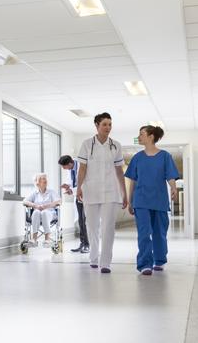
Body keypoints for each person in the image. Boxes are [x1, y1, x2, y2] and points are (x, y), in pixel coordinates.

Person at [76, 113, 128, 274]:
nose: (108, 128)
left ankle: (105, 262)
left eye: (110, 124)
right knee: (91, 226)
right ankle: (93, 257)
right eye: (104, 124)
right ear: (97, 126)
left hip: (111, 192)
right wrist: (78, 187)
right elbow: (82, 168)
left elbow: (119, 171)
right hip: (90, 191)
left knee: (108, 228)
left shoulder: (116, 146)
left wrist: (124, 193)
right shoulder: (86, 144)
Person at [125, 126, 179, 276]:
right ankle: (144, 264)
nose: (139, 137)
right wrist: (130, 201)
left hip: (159, 200)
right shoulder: (137, 158)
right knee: (144, 232)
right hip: (141, 200)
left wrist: (174, 188)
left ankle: (159, 260)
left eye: (141, 134)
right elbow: (133, 182)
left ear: (151, 136)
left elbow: (170, 175)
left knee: (159, 233)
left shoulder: (165, 156)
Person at [59, 155, 89, 253]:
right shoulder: (71, 169)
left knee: (85, 221)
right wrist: (68, 186)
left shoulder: (82, 166)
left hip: (86, 196)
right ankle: (82, 243)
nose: (64, 169)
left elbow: (84, 183)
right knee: (80, 221)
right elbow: (74, 183)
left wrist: (72, 190)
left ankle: (87, 245)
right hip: (78, 197)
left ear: (70, 163)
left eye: (64, 167)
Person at [23, 173, 61, 247]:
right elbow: (25, 201)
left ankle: (47, 239)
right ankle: (34, 239)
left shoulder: (51, 192)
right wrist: (35, 205)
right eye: (42, 179)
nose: (45, 180)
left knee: (44, 212)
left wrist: (46, 206)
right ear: (37, 182)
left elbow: (59, 201)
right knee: (36, 212)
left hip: (50, 214)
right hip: (37, 216)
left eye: (45, 178)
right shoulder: (35, 193)